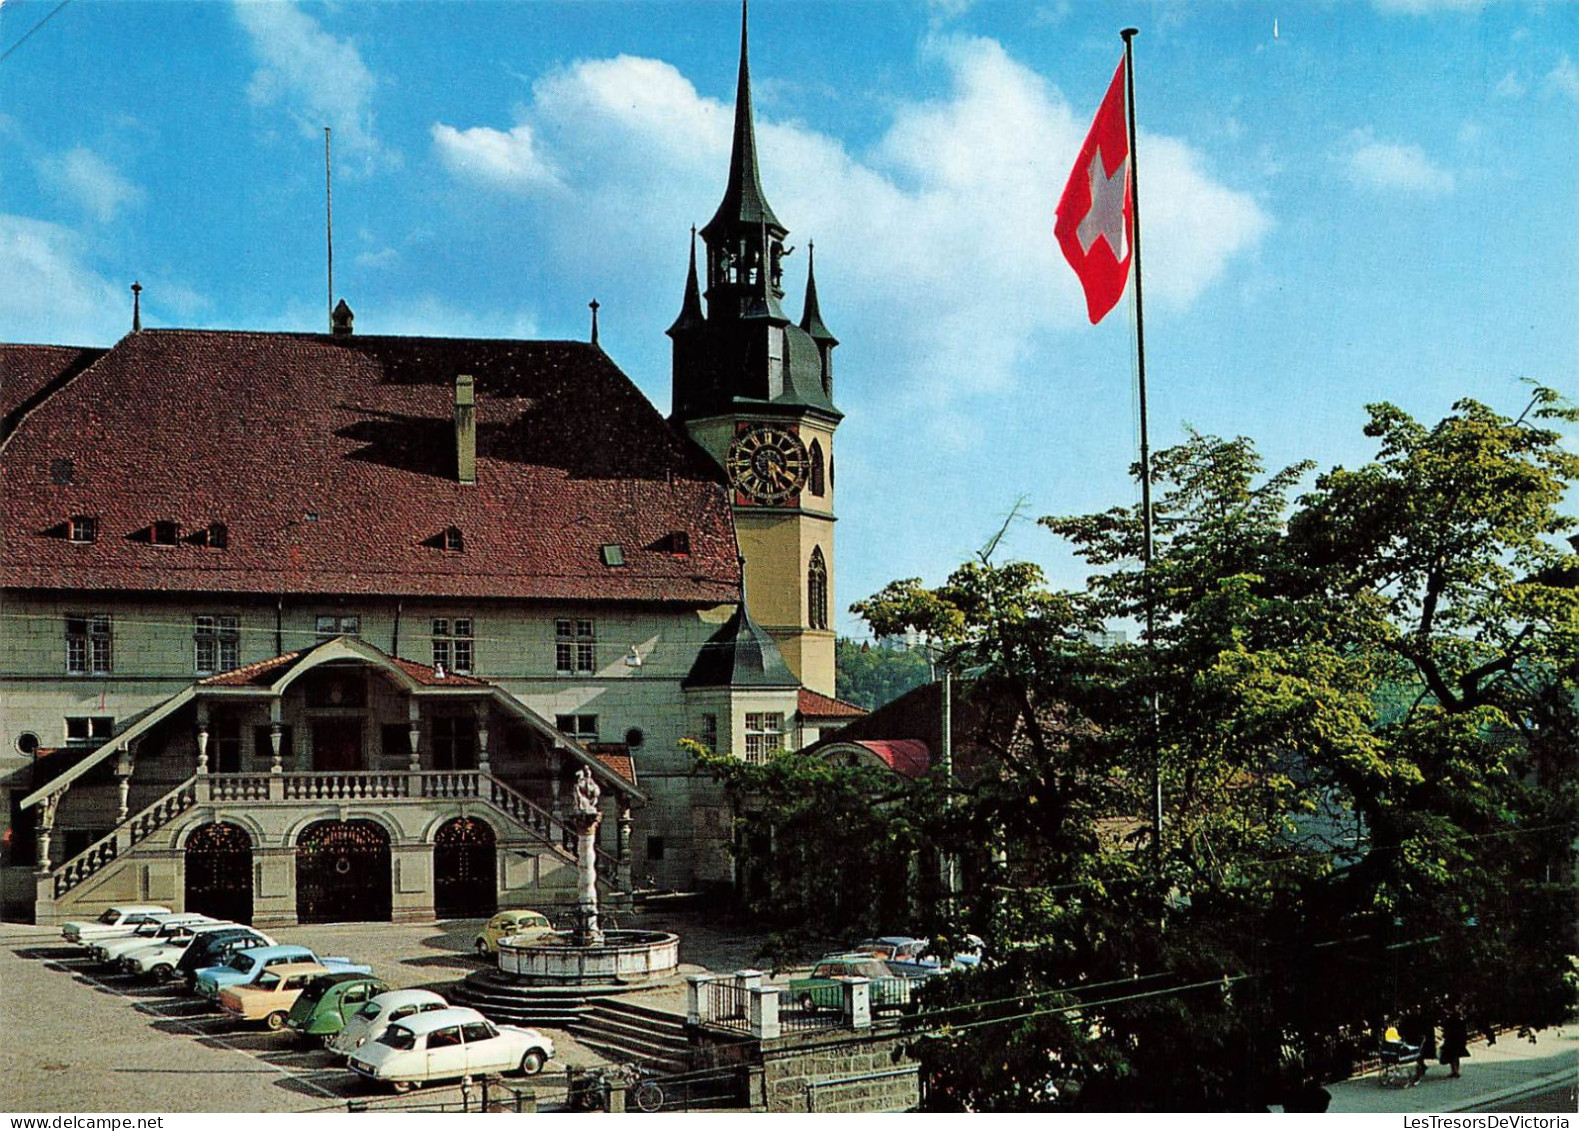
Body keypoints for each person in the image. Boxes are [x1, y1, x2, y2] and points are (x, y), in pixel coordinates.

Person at [1399, 1010, 1436, 1085]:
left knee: (1418, 1053)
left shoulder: (1419, 1018)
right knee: (1417, 1053)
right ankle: (1422, 1066)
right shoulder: (1412, 1018)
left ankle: (1421, 1067)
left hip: (1416, 1038)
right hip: (1413, 1037)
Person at [1440, 1008, 1470, 1078]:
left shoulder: (1450, 1022)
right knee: (1455, 1057)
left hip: (1452, 1042)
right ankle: (1456, 1071)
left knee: (1452, 1056)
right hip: (1458, 1041)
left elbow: (1447, 1032)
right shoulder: (1460, 1022)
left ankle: (1455, 1071)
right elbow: (1464, 1032)